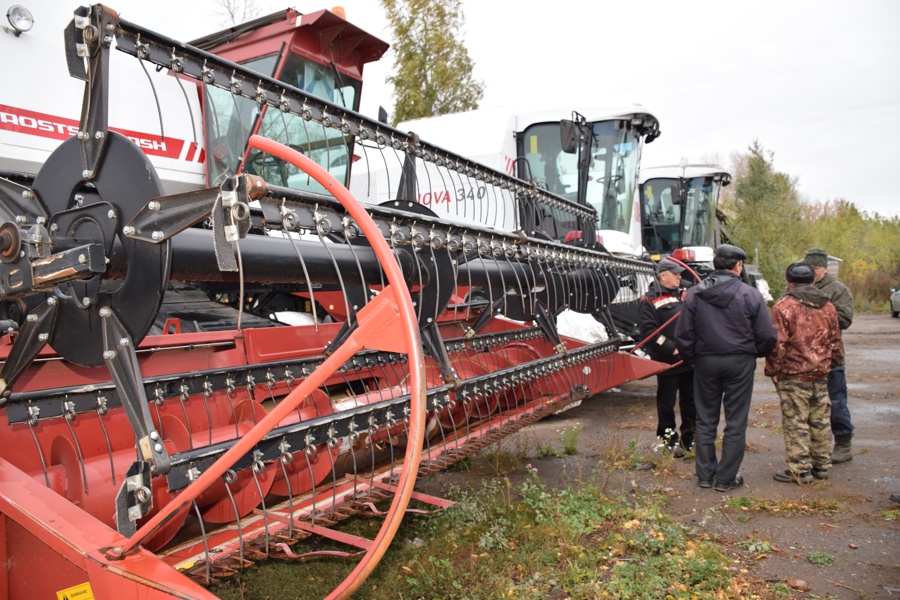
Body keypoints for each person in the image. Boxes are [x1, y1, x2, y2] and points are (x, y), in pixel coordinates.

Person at [674, 244, 777, 492]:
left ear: (715, 265)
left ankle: (705, 475)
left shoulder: (695, 294)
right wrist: (755, 353)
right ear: (738, 266)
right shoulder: (750, 294)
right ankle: (726, 477)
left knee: (706, 418)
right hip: (739, 361)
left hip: (706, 360)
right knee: (736, 421)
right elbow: (767, 334)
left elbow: (684, 334)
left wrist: (694, 359)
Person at [765, 263, 844, 484]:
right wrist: (833, 363)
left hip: (793, 373)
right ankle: (821, 465)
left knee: (796, 421)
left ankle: (800, 469)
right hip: (821, 372)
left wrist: (773, 369)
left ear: (788, 282)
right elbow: (835, 340)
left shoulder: (783, 306)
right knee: (820, 420)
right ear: (813, 281)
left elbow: (778, 343)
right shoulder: (827, 305)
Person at [638, 258, 695, 458]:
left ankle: (690, 440)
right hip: (668, 363)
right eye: (676, 273)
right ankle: (667, 440)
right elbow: (648, 332)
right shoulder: (649, 300)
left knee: (691, 402)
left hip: (689, 361)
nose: (680, 276)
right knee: (666, 403)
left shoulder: (686, 292)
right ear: (663, 275)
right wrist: (672, 349)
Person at [803, 248, 855, 463]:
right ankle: (812, 446)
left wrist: (817, 312)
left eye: (816, 268)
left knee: (836, 402)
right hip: (804, 357)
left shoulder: (838, 290)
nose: (812, 272)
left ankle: (843, 444)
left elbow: (845, 319)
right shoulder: (799, 285)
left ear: (824, 268)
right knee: (807, 404)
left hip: (831, 356)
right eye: (809, 268)